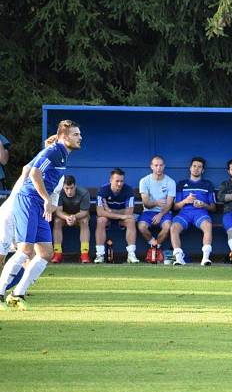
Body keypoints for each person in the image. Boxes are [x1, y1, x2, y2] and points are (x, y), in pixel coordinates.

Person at [0, 121, 81, 310]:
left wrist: (49, 204)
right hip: (28, 201)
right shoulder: (53, 151)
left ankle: (17, 294)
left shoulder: (61, 154)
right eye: (76, 134)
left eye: (79, 134)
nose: (80, 138)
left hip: (39, 206)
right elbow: (34, 173)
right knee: (25, 250)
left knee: (46, 253)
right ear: (64, 136)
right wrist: (46, 199)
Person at [170, 157, 216, 266]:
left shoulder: (208, 184)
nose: (196, 169)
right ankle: (179, 258)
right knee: (174, 227)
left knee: (208, 225)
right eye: (194, 166)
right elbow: (175, 207)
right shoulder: (181, 184)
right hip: (184, 213)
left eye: (199, 167)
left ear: (203, 170)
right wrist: (185, 201)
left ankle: (205, 258)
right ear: (190, 168)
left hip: (200, 213)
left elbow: (213, 208)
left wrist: (203, 204)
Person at [94, 168, 138, 264]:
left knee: (131, 220)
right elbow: (100, 212)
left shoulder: (128, 190)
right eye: (117, 181)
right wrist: (121, 215)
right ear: (111, 180)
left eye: (121, 181)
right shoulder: (103, 190)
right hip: (109, 219)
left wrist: (109, 210)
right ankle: (100, 254)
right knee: (101, 220)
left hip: (120, 218)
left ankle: (131, 254)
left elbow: (129, 212)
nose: (119, 184)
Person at [138, 155, 176, 261]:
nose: (158, 168)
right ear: (151, 166)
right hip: (148, 212)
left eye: (161, 165)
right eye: (156, 165)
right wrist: (156, 203)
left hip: (164, 213)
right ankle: (154, 245)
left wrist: (160, 214)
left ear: (164, 166)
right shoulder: (144, 181)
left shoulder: (170, 182)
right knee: (141, 226)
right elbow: (146, 203)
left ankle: (154, 249)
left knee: (167, 226)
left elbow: (169, 204)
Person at [52, 175, 91, 264]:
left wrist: (74, 217)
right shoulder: (58, 192)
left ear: (75, 186)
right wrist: (67, 217)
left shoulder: (84, 193)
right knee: (57, 221)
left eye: (71, 188)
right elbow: (58, 211)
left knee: (85, 221)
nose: (69, 191)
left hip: (79, 216)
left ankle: (84, 253)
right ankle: (57, 253)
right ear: (63, 187)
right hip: (64, 216)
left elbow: (84, 212)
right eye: (67, 188)